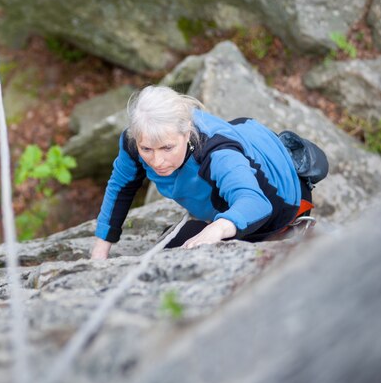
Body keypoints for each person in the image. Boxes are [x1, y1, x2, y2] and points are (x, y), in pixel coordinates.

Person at [90, 85, 315, 260]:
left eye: (167, 148)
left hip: (278, 209)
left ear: (187, 132)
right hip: (236, 191)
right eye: (147, 149)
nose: (157, 161)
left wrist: (217, 228)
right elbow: (121, 186)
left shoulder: (218, 154)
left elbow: (256, 203)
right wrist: (100, 249)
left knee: (177, 250)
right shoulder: (134, 140)